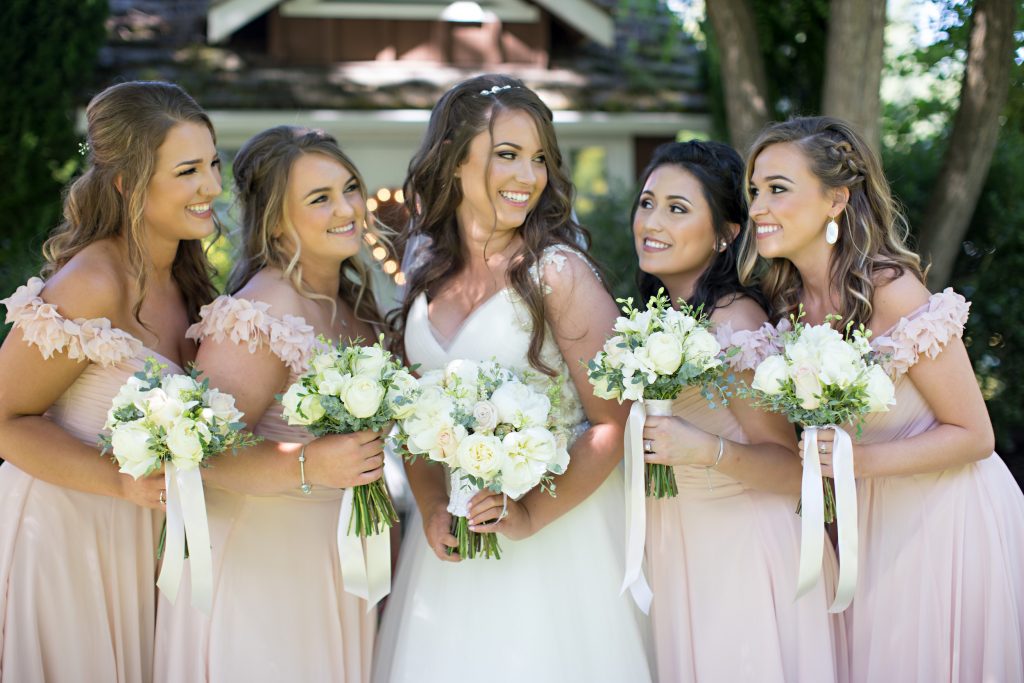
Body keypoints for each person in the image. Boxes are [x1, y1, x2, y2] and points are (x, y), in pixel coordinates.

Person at [373, 74, 652, 683]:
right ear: (453, 161)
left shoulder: (558, 273)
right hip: (448, 542)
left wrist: (528, 514)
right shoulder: (423, 271)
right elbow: (416, 419)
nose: (528, 176)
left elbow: (614, 421)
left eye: (539, 159)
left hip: (555, 541)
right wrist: (429, 505)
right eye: (507, 155)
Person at [743, 115, 1024, 683]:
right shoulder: (790, 306)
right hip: (867, 521)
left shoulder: (891, 290)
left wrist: (854, 464)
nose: (756, 208)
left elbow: (975, 435)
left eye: (777, 189)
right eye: (754, 191)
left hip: (944, 515)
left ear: (836, 199)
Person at [0, 81, 220, 682]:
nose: (212, 188)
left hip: (138, 539)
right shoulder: (94, 283)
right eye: (188, 171)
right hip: (64, 535)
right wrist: (118, 484)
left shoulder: (188, 281)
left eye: (213, 164)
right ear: (127, 182)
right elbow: (5, 420)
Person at [154, 126, 387, 682]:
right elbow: (199, 457)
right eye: (320, 198)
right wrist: (309, 464)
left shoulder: (353, 307)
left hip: (336, 558)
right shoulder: (256, 315)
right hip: (261, 564)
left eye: (349, 187)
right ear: (276, 224)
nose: (348, 207)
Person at [636, 140, 848, 682]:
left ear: (726, 233)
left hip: (746, 556)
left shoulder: (734, 321)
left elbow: (789, 466)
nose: (651, 222)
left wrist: (705, 450)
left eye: (677, 209)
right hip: (683, 551)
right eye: (647, 203)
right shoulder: (656, 319)